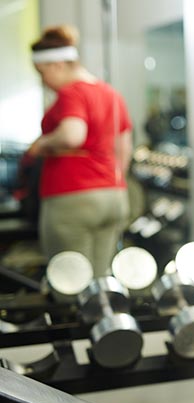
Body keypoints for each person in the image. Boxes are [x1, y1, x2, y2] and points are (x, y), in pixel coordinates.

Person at [27, 25, 133, 277]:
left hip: (73, 196)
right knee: (98, 280)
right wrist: (110, 181)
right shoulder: (111, 93)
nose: (43, 81)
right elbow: (124, 147)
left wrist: (41, 144)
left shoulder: (72, 92)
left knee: (70, 281)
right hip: (114, 197)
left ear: (57, 65)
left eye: (41, 73)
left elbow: (73, 135)